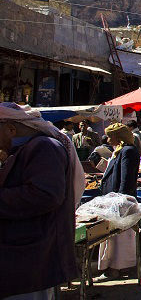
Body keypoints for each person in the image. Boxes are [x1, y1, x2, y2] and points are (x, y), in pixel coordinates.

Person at [0, 102, 84, 298]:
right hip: (24, 256)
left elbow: (45, 195)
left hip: (31, 256)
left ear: (11, 129)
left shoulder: (44, 147)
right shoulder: (29, 148)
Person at [97, 123, 140, 281]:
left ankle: (116, 268)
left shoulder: (127, 151)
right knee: (112, 237)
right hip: (113, 201)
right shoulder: (119, 151)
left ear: (118, 136)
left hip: (119, 202)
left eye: (110, 135)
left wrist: (121, 200)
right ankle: (111, 267)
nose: (108, 139)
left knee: (118, 238)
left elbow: (126, 179)